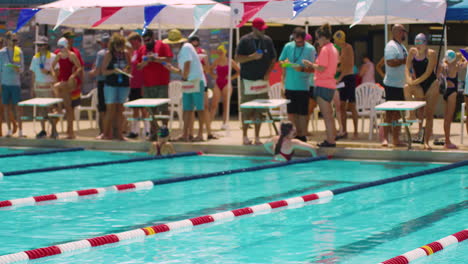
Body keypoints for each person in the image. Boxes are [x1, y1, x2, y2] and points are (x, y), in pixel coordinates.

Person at [235, 17, 277, 145]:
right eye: (260, 30)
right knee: (247, 109)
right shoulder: (244, 41)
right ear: (253, 29)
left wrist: (268, 73)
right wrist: (251, 57)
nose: (263, 32)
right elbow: (237, 58)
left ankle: (257, 137)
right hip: (247, 80)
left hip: (262, 81)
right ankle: (245, 136)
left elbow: (273, 59)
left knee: (260, 110)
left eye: (264, 29)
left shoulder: (267, 41)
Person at [163, 29, 207, 142]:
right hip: (188, 81)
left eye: (173, 43)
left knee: (200, 109)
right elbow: (183, 70)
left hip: (196, 81)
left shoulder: (186, 47)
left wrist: (184, 77)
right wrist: (172, 69)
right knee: (187, 109)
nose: (172, 46)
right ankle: (185, 134)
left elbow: (187, 66)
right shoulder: (183, 50)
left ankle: (201, 134)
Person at [303, 23, 339, 147]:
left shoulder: (325, 49)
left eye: (317, 38)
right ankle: (332, 138)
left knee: (327, 115)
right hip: (330, 85)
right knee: (329, 114)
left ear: (323, 37)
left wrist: (310, 64)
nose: (317, 41)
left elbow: (322, 67)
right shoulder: (333, 48)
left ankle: (330, 140)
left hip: (323, 84)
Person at [279, 27, 316, 142]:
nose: (298, 44)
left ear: (305, 39)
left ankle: (302, 135)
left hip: (304, 85)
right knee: (291, 113)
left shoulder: (310, 49)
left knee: (303, 113)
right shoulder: (288, 46)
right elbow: (281, 62)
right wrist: (285, 65)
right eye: (296, 41)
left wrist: (302, 69)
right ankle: (292, 135)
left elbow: (314, 69)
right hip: (290, 85)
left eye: (301, 42)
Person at [404, 33, 439, 150]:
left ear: (425, 43)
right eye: (416, 42)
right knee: (406, 88)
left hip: (431, 85)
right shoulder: (412, 52)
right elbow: (407, 68)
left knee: (429, 115)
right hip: (418, 84)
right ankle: (411, 114)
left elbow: (428, 73)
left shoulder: (431, 54)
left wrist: (414, 82)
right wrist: (409, 80)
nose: (418, 45)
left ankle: (426, 141)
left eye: (421, 42)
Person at [136, 29, 173, 136]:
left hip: (162, 83)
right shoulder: (142, 49)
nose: (146, 42)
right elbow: (138, 66)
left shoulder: (162, 45)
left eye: (148, 40)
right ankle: (155, 131)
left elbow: (169, 59)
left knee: (163, 108)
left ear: (153, 37)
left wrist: (155, 59)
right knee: (150, 110)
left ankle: (165, 130)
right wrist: (145, 62)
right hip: (148, 84)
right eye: (144, 40)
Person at [100, 33, 131, 141]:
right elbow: (103, 71)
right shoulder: (109, 54)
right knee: (110, 110)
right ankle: (105, 133)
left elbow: (129, 66)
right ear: (113, 45)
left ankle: (119, 134)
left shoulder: (126, 54)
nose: (119, 48)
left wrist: (126, 70)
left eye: (121, 45)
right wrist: (114, 71)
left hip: (123, 84)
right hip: (111, 85)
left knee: (120, 110)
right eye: (117, 45)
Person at [382, 24, 408, 148]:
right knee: (389, 114)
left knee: (398, 114)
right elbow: (390, 62)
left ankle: (396, 139)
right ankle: (385, 139)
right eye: (403, 32)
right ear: (397, 32)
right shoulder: (390, 46)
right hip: (392, 85)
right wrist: (404, 61)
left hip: (401, 85)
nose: (405, 34)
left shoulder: (402, 46)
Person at [52, 37, 82, 139]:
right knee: (69, 108)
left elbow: (79, 67)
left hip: (70, 82)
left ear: (66, 46)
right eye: (59, 47)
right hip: (63, 81)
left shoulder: (71, 55)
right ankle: (70, 131)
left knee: (69, 108)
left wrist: (73, 76)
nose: (60, 49)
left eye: (62, 47)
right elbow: (52, 66)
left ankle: (70, 131)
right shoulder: (59, 55)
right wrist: (54, 74)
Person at [29, 36, 58, 139]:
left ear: (46, 45)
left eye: (41, 45)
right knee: (41, 110)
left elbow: (57, 73)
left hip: (49, 87)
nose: (39, 47)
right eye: (38, 45)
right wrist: (32, 88)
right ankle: (43, 130)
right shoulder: (35, 57)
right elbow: (33, 74)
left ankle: (54, 130)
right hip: (39, 86)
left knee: (51, 109)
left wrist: (48, 72)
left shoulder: (53, 57)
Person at [188, 35, 216, 139]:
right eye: (193, 46)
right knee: (190, 108)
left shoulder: (202, 53)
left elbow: (207, 70)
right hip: (191, 82)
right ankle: (190, 133)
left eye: (197, 45)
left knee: (204, 107)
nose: (195, 47)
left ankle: (207, 132)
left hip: (201, 81)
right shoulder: (187, 54)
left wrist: (199, 62)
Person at [209, 43, 240, 131]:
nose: (220, 53)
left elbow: (238, 71)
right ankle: (209, 123)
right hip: (218, 83)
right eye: (219, 52)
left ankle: (225, 123)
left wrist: (231, 77)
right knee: (214, 104)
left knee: (226, 104)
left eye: (221, 52)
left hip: (227, 83)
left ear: (225, 52)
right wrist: (213, 75)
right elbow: (210, 69)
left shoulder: (230, 61)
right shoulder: (216, 61)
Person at [334, 30, 358, 139]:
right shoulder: (341, 49)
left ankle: (356, 131)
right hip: (344, 78)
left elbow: (347, 67)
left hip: (348, 78)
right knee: (342, 105)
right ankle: (344, 130)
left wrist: (338, 78)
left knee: (352, 105)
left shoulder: (348, 48)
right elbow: (341, 66)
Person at [0, 31, 24, 137]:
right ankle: (9, 130)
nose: (15, 42)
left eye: (16, 40)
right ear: (7, 40)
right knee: (6, 107)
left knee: (17, 107)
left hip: (15, 84)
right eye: (13, 40)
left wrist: (15, 67)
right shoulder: (2, 53)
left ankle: (20, 131)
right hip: (5, 83)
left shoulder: (19, 52)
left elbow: (22, 69)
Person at [55, 30, 84, 109]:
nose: (71, 40)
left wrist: (81, 82)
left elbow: (80, 67)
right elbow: (54, 68)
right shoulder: (57, 53)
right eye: (69, 38)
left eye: (72, 38)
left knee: (71, 109)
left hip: (73, 84)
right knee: (59, 108)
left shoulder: (75, 52)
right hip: (61, 83)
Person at [126, 32, 148, 139]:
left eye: (133, 42)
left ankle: (147, 130)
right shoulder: (134, 53)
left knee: (144, 109)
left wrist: (144, 85)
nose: (132, 44)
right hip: (133, 84)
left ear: (138, 41)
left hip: (141, 84)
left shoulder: (143, 50)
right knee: (134, 109)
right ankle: (134, 131)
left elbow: (143, 67)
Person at [89, 33, 110, 138]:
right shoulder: (116, 53)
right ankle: (110, 131)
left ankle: (103, 132)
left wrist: (91, 73)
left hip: (102, 82)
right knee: (112, 108)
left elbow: (97, 71)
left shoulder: (101, 54)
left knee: (102, 109)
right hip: (112, 83)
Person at [441, 50, 461, 149]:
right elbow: (466, 59)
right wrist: (461, 52)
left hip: (446, 92)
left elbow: (444, 60)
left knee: (446, 119)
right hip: (452, 93)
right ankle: (447, 142)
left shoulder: (445, 66)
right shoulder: (456, 66)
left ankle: (446, 140)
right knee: (449, 118)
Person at [305, 33, 318, 131]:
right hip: (307, 84)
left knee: (310, 108)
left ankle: (305, 129)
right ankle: (304, 129)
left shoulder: (313, 52)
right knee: (308, 108)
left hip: (312, 83)